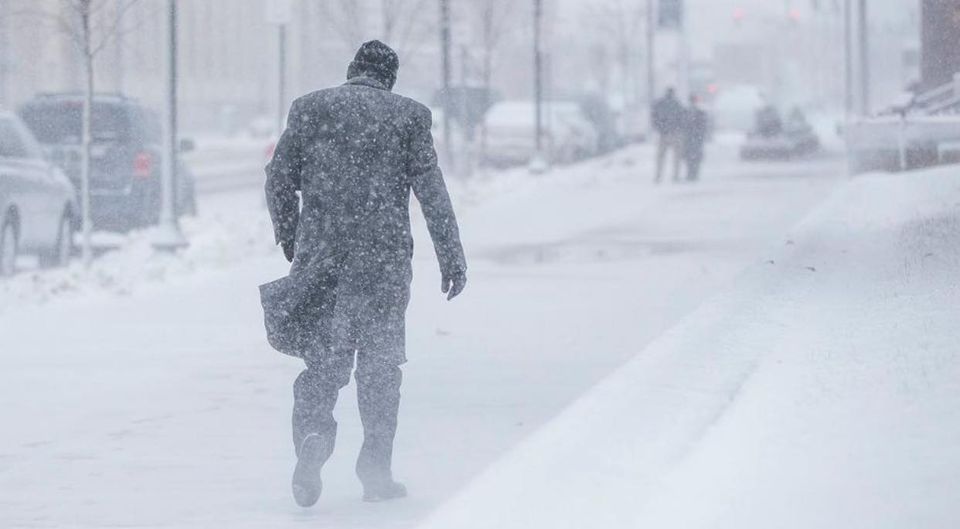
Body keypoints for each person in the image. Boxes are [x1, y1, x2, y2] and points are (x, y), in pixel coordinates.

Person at [264, 40, 467, 507]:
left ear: (352, 70)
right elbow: (431, 192)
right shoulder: (409, 116)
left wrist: (292, 235)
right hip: (382, 265)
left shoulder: (310, 108)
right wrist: (451, 255)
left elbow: (278, 177)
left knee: (323, 362)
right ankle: (375, 471)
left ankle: (313, 437)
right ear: (389, 78)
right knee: (379, 369)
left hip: (323, 262)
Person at [651, 87, 685, 183]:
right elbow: (682, 118)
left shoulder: (660, 104)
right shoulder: (677, 104)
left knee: (661, 157)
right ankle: (675, 176)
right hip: (675, 133)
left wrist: (659, 128)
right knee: (676, 157)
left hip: (663, 134)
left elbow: (654, 117)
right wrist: (678, 128)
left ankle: (658, 176)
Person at [682, 94, 709, 182]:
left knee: (695, 156)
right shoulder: (686, 112)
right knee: (689, 156)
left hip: (696, 138)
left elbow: (703, 126)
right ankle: (690, 173)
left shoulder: (699, 113)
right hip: (690, 138)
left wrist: (700, 135)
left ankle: (694, 173)